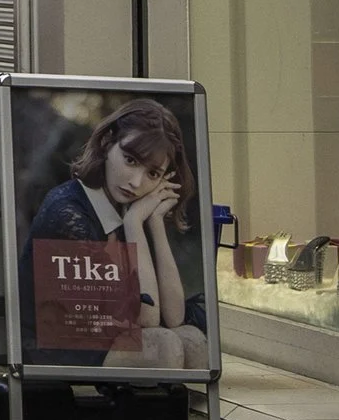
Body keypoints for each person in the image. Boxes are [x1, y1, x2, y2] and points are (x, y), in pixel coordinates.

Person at [25, 96, 210, 369]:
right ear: (106, 142)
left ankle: (156, 398)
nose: (136, 182)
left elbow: (174, 316)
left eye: (153, 174)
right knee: (164, 346)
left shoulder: (131, 208)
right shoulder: (68, 212)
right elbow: (146, 317)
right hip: (59, 342)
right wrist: (134, 223)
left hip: (107, 334)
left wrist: (155, 222)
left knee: (193, 340)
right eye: (130, 160)